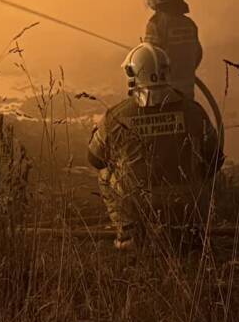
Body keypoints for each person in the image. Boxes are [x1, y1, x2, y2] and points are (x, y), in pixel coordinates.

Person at [88, 42, 222, 251]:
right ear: (166, 71)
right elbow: (215, 159)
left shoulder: (115, 116)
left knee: (105, 173)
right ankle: (195, 229)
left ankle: (129, 236)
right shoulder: (194, 111)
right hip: (187, 203)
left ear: (132, 74)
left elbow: (95, 159)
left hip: (138, 204)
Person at [141, 0, 202, 101]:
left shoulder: (156, 24)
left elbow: (151, 59)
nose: (148, 0)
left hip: (163, 94)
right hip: (187, 93)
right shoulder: (189, 24)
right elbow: (197, 54)